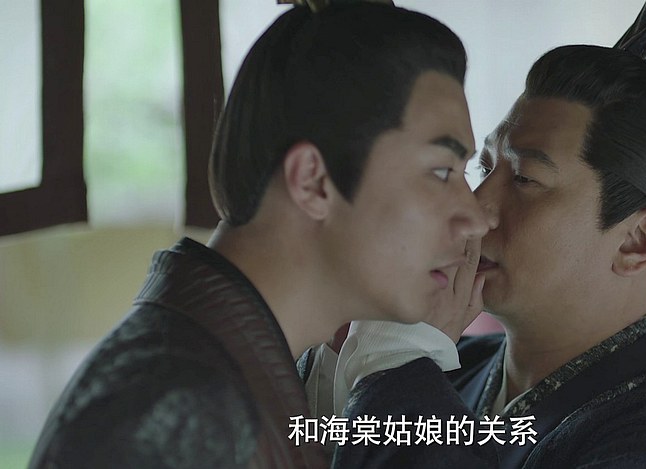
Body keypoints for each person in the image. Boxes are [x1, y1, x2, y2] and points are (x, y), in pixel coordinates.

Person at [27, 2, 493, 468]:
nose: (475, 218)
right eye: (441, 171)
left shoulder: (220, 380)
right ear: (313, 181)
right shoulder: (183, 413)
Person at [315, 0, 646, 467]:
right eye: (484, 169)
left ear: (638, 241)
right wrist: (342, 354)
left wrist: (395, 361)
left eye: (525, 179)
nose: (474, 208)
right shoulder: (447, 366)